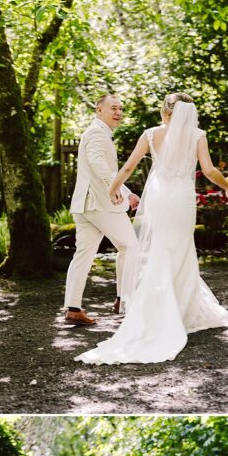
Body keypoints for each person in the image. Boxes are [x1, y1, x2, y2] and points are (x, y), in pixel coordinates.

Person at [75, 92, 228, 365]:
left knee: (160, 249)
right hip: (182, 199)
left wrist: (115, 189)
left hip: (160, 197)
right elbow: (209, 171)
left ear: (166, 111)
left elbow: (127, 167)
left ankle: (159, 310)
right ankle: (181, 312)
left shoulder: (151, 134)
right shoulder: (197, 135)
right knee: (182, 249)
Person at [65, 95, 140, 325]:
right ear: (99, 110)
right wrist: (114, 187)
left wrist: (126, 193)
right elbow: (99, 164)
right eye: (113, 108)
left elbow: (103, 169)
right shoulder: (97, 133)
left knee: (83, 255)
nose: (118, 112)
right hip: (99, 204)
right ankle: (123, 299)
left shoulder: (98, 131)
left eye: (121, 108)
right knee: (130, 246)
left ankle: (73, 309)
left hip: (86, 205)